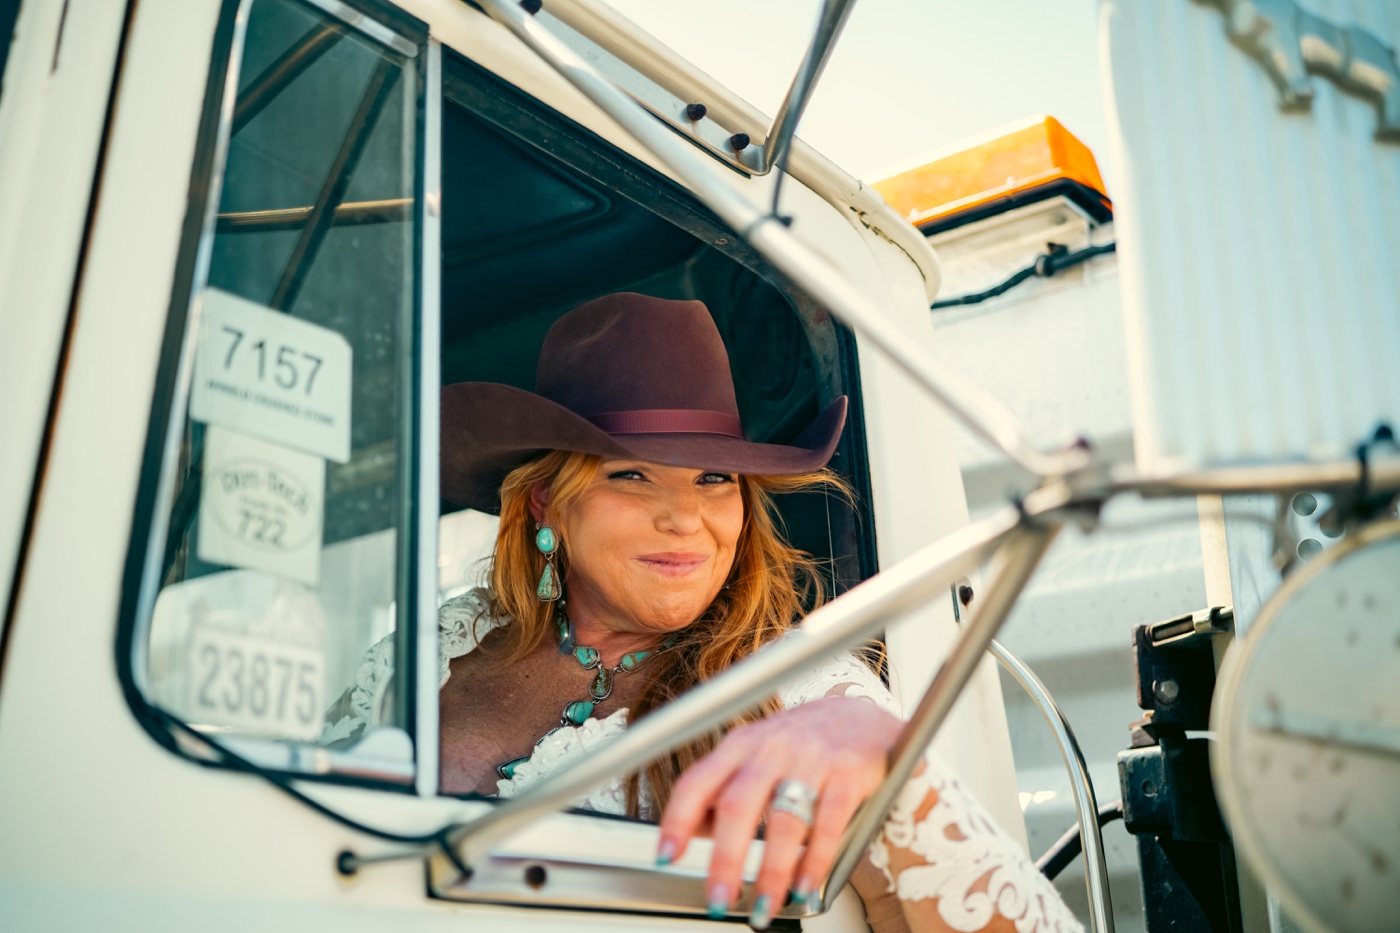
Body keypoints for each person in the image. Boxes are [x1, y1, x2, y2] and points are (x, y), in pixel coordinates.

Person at [325, 293, 1080, 932]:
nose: (686, 518)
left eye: (714, 477)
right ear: (547, 499)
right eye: (632, 474)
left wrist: (895, 770)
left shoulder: (803, 688)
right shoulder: (429, 654)